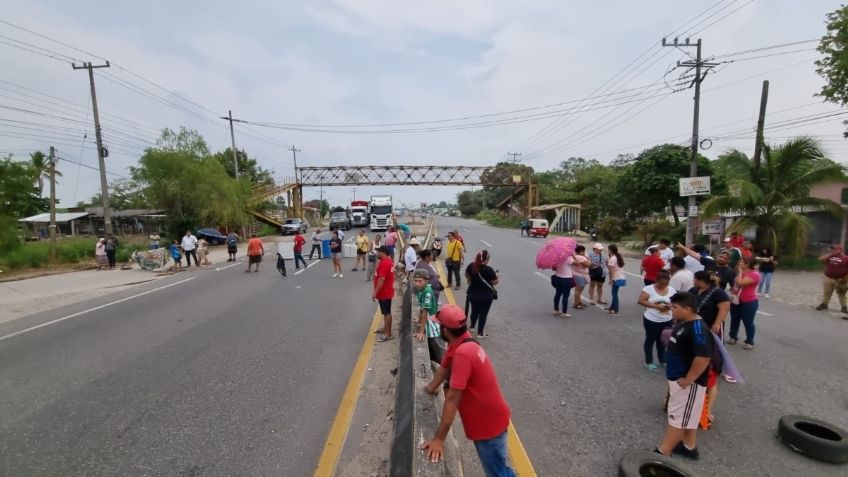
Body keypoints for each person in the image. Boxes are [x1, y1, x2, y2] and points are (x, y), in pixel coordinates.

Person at [422, 305, 515, 477]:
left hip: (489, 426)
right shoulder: (462, 341)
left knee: (497, 473)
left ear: (446, 330)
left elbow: (452, 399)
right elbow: (444, 366)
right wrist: (430, 388)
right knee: (500, 468)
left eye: (439, 325)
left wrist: (439, 440)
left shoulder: (463, 354)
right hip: (490, 419)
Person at [655, 292, 713, 459]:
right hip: (678, 379)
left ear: (687, 309)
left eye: (675, 307)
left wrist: (689, 379)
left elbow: (703, 357)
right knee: (689, 415)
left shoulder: (697, 329)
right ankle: (689, 446)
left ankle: (663, 452)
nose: (671, 310)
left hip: (686, 383)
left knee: (678, 417)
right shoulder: (684, 322)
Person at [688, 270, 732, 414]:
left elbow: (724, 307)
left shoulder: (717, 292)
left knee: (710, 357)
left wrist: (717, 323)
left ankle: (706, 408)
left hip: (710, 329)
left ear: (702, 280)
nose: (693, 281)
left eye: (695, 279)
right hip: (693, 328)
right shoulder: (694, 290)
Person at [637, 270, 675, 372]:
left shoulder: (672, 290)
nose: (664, 285)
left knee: (663, 341)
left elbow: (675, 303)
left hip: (667, 320)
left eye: (666, 283)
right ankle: (648, 361)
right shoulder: (648, 289)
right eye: (661, 283)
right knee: (650, 340)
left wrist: (670, 306)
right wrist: (656, 306)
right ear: (656, 280)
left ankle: (662, 360)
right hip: (652, 320)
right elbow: (640, 301)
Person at [728, 258, 761, 349]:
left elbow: (740, 283)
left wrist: (740, 271)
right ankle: (733, 336)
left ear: (748, 264)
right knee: (734, 319)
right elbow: (734, 285)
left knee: (748, 321)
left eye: (743, 262)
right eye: (740, 261)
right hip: (736, 299)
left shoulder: (754, 274)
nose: (740, 263)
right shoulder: (740, 272)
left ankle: (749, 341)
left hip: (749, 301)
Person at [413, 269, 444, 363]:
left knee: (436, 348)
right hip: (428, 320)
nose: (417, 283)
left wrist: (421, 332)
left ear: (426, 281)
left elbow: (425, 313)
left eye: (420, 281)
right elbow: (421, 308)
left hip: (432, 323)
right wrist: (418, 319)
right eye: (415, 281)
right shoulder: (421, 290)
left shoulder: (427, 293)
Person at [465, 250, 499, 337]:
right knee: (483, 314)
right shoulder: (489, 270)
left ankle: (472, 326)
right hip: (486, 296)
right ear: (486, 259)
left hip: (473, 293)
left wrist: (470, 281)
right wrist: (497, 277)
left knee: (474, 310)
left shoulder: (471, 266)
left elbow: (467, 275)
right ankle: (480, 333)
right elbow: (494, 282)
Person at [372, 245, 395, 342]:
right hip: (386, 291)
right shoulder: (388, 261)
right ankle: (385, 329)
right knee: (385, 312)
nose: (377, 253)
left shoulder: (384, 263)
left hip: (384, 292)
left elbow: (381, 279)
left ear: (382, 252)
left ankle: (388, 334)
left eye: (378, 252)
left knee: (387, 313)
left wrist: (375, 292)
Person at [816, 244, 848, 313]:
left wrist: (845, 278)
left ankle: (844, 307)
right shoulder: (830, 257)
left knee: (842, 293)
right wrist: (831, 255)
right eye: (832, 249)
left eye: (835, 249)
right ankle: (824, 304)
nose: (833, 250)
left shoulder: (846, 258)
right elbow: (820, 259)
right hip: (829, 277)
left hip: (841, 279)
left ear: (840, 250)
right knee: (827, 292)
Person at [551, 252, 575, 318]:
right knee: (565, 296)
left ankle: (556, 310)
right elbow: (578, 264)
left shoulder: (557, 258)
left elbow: (554, 268)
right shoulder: (568, 258)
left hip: (557, 277)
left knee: (557, 294)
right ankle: (564, 312)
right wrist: (574, 256)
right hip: (566, 279)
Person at [606, 244, 626, 315]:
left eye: (608, 249)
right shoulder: (618, 256)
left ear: (610, 250)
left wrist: (610, 279)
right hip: (621, 277)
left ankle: (616, 309)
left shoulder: (612, 258)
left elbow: (611, 271)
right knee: (614, 293)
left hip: (615, 277)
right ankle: (612, 307)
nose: (607, 250)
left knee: (614, 294)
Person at [572, 245, 590, 310]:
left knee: (578, 290)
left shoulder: (574, 257)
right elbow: (588, 265)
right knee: (578, 290)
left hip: (576, 274)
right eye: (584, 251)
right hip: (580, 275)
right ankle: (576, 303)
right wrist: (588, 258)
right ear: (581, 251)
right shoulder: (581, 258)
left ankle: (578, 302)